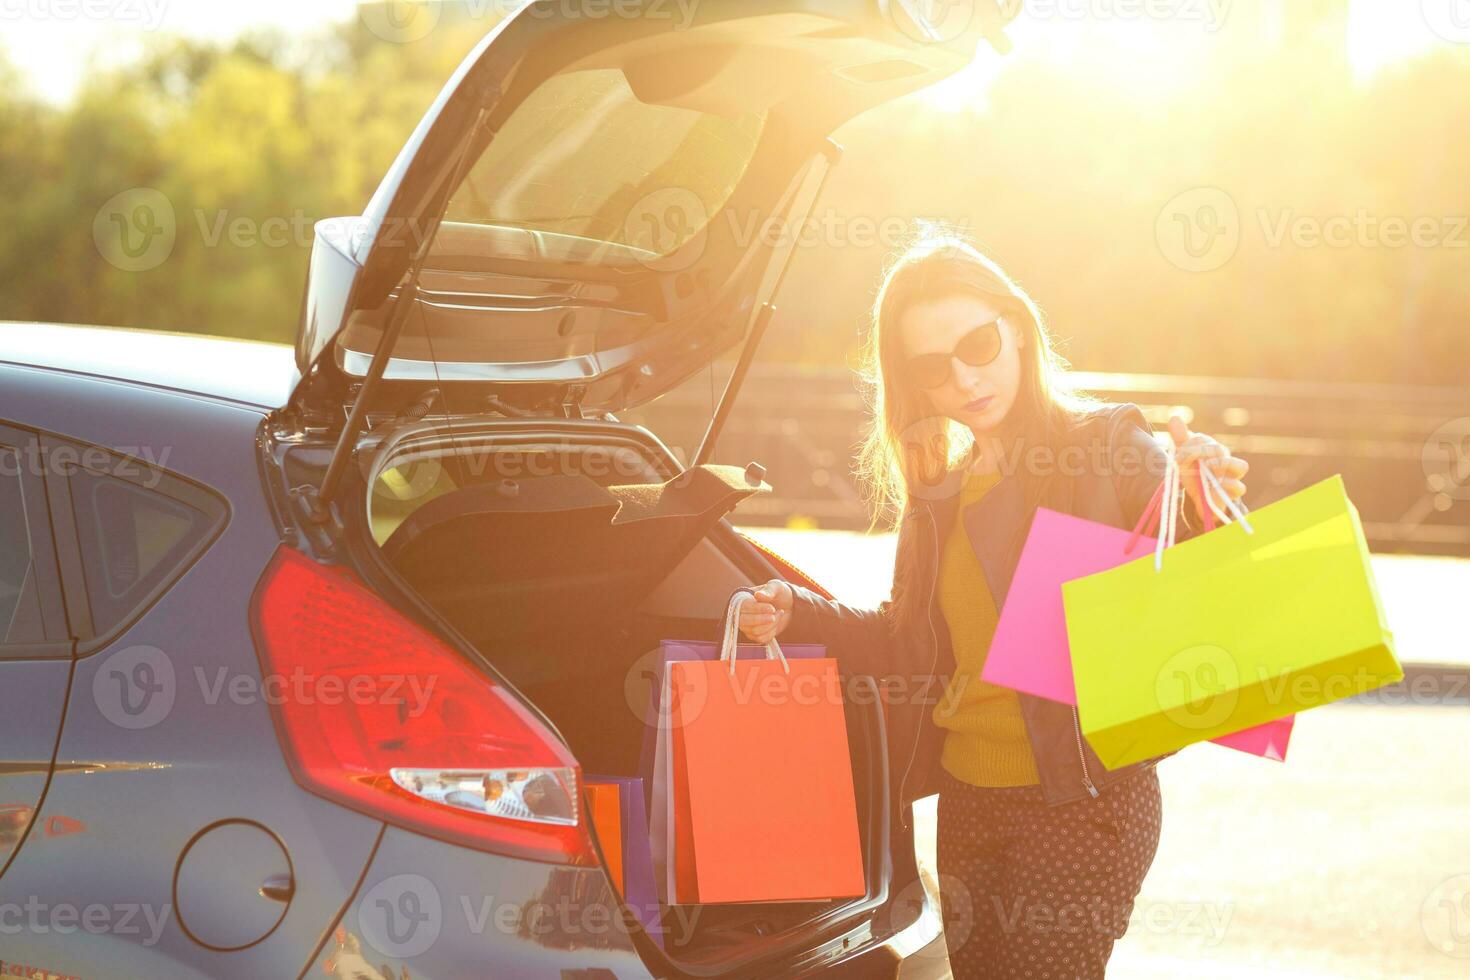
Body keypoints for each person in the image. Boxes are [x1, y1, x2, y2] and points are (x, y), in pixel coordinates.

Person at [737, 234, 1249, 979]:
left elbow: (1205, 555)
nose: (966, 378)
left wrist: (1207, 489)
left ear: (1018, 327)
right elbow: (911, 642)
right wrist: (799, 611)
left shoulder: (1104, 446)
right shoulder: (942, 491)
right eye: (933, 367)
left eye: (979, 344)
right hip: (969, 799)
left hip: (1082, 802)